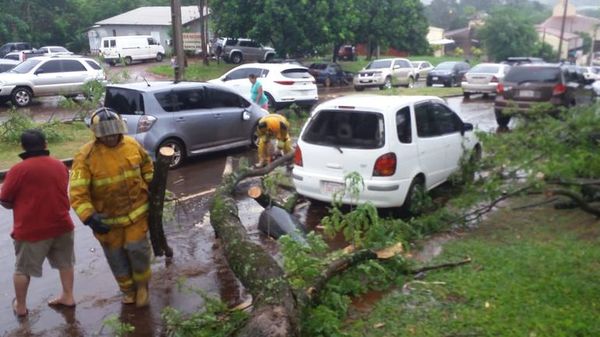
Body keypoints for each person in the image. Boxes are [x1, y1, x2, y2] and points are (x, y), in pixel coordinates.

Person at [69, 107, 154, 307]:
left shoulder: (133, 145)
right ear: (97, 134)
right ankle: (128, 290)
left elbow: (147, 166)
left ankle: (142, 287)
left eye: (113, 132)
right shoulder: (85, 157)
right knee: (116, 258)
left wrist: (153, 185)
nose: (110, 137)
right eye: (105, 134)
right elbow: (77, 193)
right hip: (107, 221)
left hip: (136, 216)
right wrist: (89, 217)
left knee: (138, 251)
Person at [0, 129, 76, 318]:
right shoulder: (59, 165)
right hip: (62, 224)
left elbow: (5, 198)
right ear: (46, 144)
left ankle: (21, 307)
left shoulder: (17, 170)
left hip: (31, 230)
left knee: (23, 269)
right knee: (65, 262)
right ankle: (68, 296)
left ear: (23, 147)